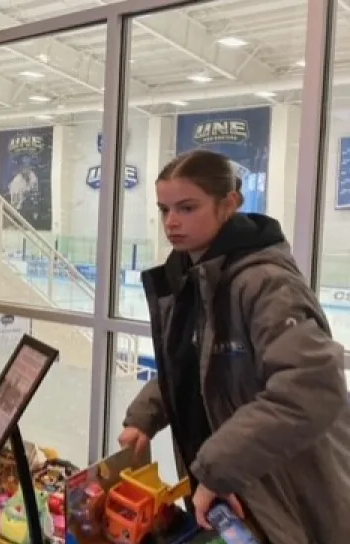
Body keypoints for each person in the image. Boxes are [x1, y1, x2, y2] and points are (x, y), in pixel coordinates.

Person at [120, 149, 350, 543]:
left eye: (188, 207)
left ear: (230, 203)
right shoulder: (192, 276)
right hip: (232, 485)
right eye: (164, 210)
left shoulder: (265, 284)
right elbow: (195, 364)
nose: (172, 222)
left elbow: (310, 389)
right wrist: (145, 414)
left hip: (284, 487)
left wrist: (218, 467)